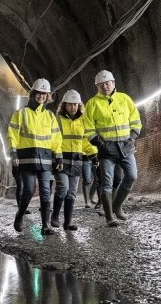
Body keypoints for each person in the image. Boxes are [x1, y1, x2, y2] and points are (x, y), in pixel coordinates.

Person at [82, 70, 142, 227]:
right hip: (106, 150)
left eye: (107, 83)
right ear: (97, 86)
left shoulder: (124, 99)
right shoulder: (92, 104)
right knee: (107, 182)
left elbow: (135, 120)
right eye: (101, 84)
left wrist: (132, 137)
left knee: (132, 176)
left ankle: (117, 206)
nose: (105, 86)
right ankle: (109, 217)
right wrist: (100, 144)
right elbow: (88, 128)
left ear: (113, 83)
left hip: (125, 146)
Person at [8, 78, 63, 235]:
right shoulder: (21, 113)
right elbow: (12, 134)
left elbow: (56, 138)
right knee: (29, 189)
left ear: (47, 96)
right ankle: (20, 215)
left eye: (44, 94)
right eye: (38, 93)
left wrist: (58, 157)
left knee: (46, 192)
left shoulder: (50, 116)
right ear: (33, 94)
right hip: (26, 159)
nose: (41, 96)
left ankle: (45, 226)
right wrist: (13, 153)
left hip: (45, 160)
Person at [51, 90, 87, 230]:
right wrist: (57, 156)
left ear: (79, 105)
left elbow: (86, 140)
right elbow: (54, 140)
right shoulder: (57, 120)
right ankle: (55, 216)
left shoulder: (83, 120)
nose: (73, 107)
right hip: (61, 160)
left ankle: (68, 222)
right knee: (63, 187)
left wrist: (92, 154)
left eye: (75, 104)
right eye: (70, 104)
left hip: (77, 160)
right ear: (64, 105)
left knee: (72, 192)